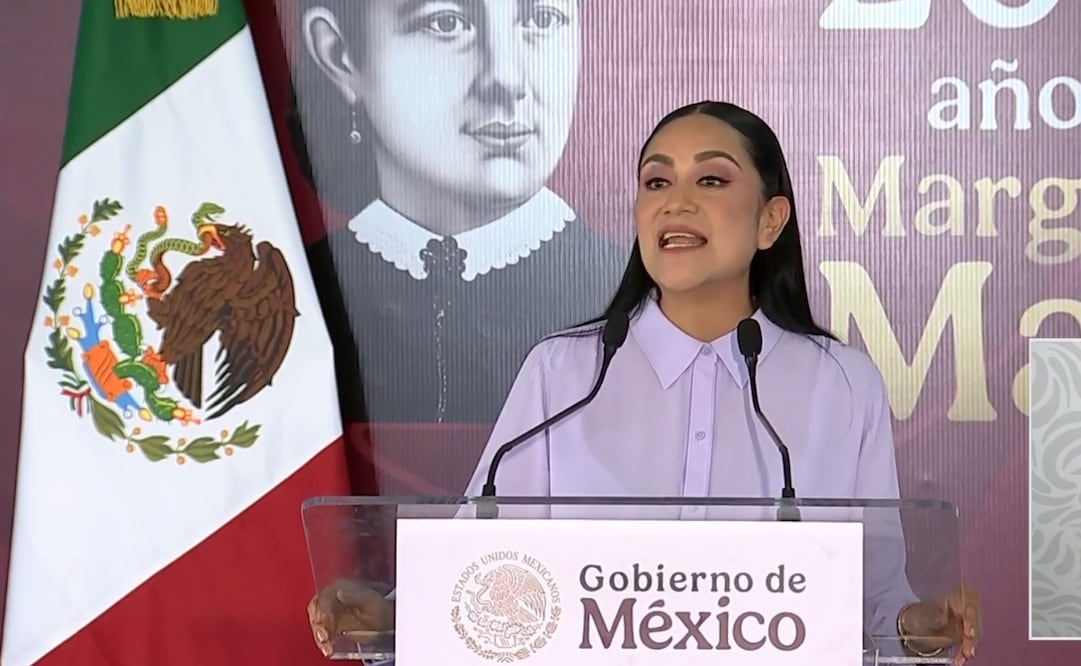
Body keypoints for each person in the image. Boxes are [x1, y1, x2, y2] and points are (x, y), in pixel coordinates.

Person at [307, 101, 982, 664]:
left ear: (770, 220)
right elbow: (482, 570)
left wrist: (919, 630)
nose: (675, 203)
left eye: (710, 180)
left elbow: (875, 599)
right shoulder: (564, 373)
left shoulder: (842, 384)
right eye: (656, 183)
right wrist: (388, 622)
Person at [293, 0, 625, 434]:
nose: (506, 79)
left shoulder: (641, 300)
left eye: (541, 19)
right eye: (446, 22)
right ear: (339, 55)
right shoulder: (290, 299)